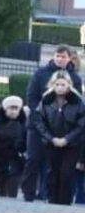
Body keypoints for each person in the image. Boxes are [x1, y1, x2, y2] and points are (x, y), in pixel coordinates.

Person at [22, 46, 82, 201]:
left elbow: (77, 103)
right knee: (33, 159)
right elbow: (32, 97)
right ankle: (28, 194)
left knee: (55, 166)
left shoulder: (75, 78)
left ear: (69, 58)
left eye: (63, 56)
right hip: (38, 125)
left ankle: (47, 194)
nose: (60, 59)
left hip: (61, 128)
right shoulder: (40, 73)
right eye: (57, 56)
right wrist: (41, 118)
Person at [31, 70, 85, 205]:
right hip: (51, 143)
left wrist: (67, 139)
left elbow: (81, 124)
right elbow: (39, 121)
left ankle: (65, 203)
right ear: (52, 85)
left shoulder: (78, 102)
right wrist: (51, 138)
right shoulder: (46, 101)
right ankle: (52, 201)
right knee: (52, 174)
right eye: (57, 84)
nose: (60, 87)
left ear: (69, 85)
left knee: (66, 174)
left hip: (72, 145)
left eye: (63, 84)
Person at [0, 96, 28, 198]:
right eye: (11, 108)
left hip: (16, 158)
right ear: (5, 109)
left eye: (16, 109)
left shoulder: (23, 123)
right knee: (1, 184)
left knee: (13, 183)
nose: (13, 111)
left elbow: (26, 140)